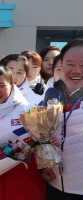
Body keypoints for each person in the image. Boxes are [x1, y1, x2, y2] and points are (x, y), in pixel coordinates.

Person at [0, 66, 46, 200]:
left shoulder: (29, 111)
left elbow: (45, 144)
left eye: (2, 85)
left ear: (12, 86)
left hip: (27, 187)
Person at [41, 38, 83, 199]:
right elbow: (44, 133)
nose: (77, 70)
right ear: (61, 65)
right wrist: (45, 165)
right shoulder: (52, 93)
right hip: (55, 184)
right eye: (70, 64)